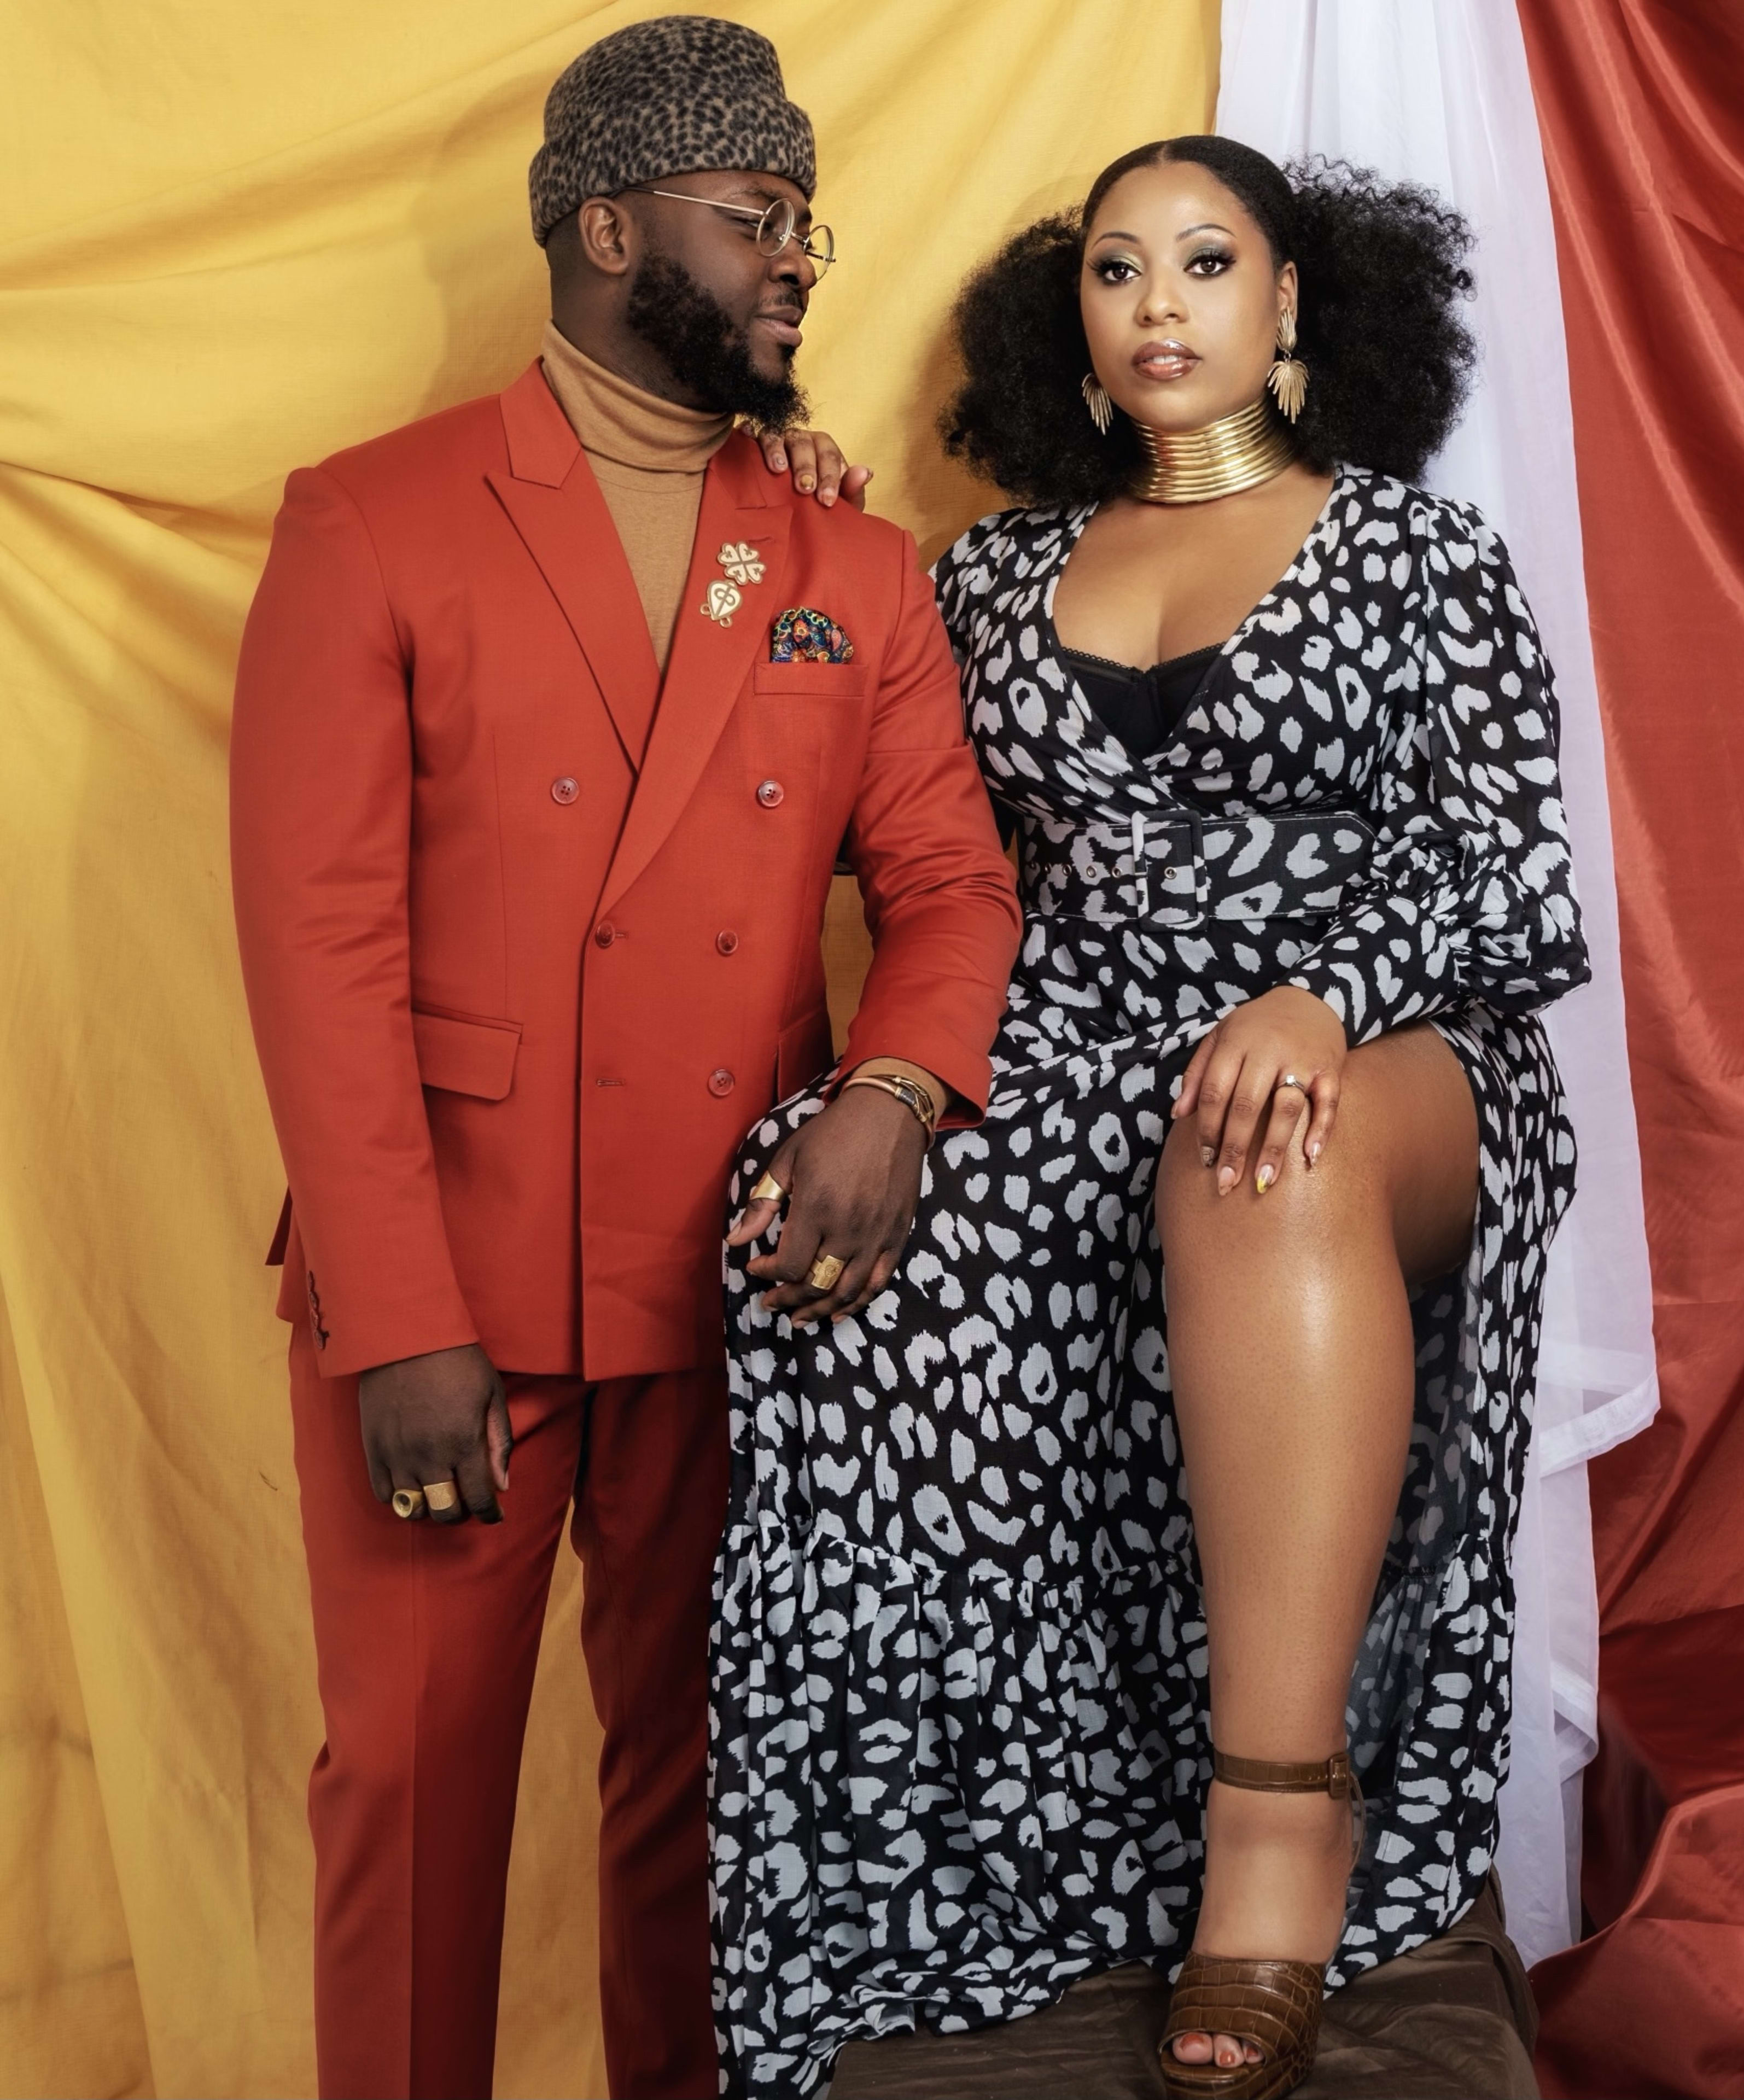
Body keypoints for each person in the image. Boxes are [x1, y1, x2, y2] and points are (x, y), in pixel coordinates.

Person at [709, 135, 1589, 2098]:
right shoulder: (995, 575)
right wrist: (782, 521)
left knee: (1263, 1151)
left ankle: (1280, 1832)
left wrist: (1322, 990)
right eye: (1120, 272)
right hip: (1086, 1046)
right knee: (806, 1212)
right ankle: (973, 1830)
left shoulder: (1413, 551)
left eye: (1209, 263)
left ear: (1294, 307)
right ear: (1077, 329)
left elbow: (1522, 881)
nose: (1163, 302)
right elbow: (895, 815)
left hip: (1399, 1052)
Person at [228, 18, 1019, 2097]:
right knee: (413, 1797)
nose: (800, 263)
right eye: (754, 220)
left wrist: (896, 1095)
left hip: (737, 1283)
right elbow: (318, 952)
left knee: (703, 1815)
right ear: (604, 228)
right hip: (450, 1293)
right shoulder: (375, 522)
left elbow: (950, 886)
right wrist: (394, 1314)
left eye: (807, 226)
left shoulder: (853, 563)